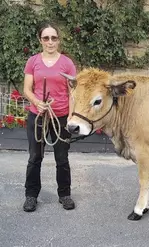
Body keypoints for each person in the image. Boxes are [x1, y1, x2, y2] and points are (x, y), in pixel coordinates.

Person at [22, 22, 76, 212]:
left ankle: (65, 194)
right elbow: (27, 89)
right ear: (40, 40)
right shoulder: (33, 61)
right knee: (35, 157)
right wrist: (37, 102)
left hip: (60, 117)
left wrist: (70, 116)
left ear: (58, 40)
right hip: (38, 115)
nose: (50, 42)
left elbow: (72, 93)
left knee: (62, 158)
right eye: (46, 38)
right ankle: (31, 195)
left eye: (54, 38)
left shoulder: (67, 63)